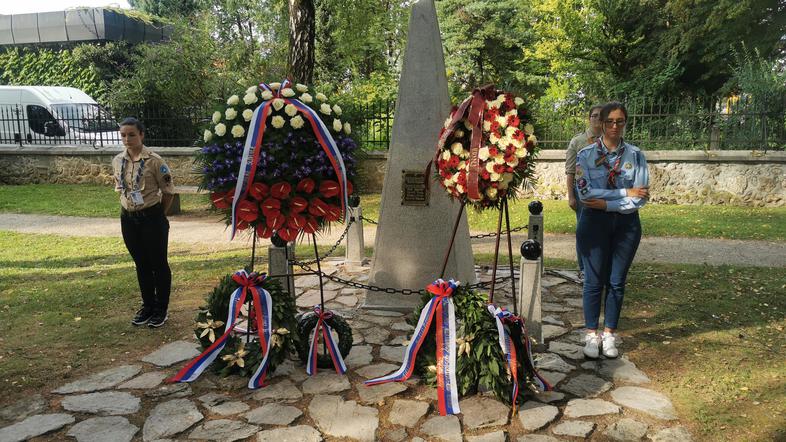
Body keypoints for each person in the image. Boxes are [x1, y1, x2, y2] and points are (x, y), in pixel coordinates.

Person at [575, 101, 649, 359]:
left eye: (620, 121)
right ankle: (591, 335)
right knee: (593, 282)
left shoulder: (636, 155)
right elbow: (585, 194)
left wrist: (606, 203)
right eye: (610, 121)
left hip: (626, 225)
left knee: (617, 281)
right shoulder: (585, 155)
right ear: (601, 123)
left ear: (625, 123)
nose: (615, 126)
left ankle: (609, 334)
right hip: (593, 223)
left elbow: (640, 197)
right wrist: (622, 193)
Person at [112, 117, 175, 328]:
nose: (127, 139)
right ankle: (147, 306)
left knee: (158, 264)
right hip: (128, 218)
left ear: (141, 135)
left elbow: (168, 192)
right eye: (123, 135)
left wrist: (159, 215)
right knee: (141, 263)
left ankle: (161, 309)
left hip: (151, 217)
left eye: (131, 134)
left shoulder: (155, 161)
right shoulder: (117, 161)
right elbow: (120, 188)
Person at [566, 105, 603, 281]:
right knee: (584, 229)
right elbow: (570, 171)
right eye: (594, 116)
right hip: (581, 192)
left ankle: (601, 268)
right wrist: (571, 196)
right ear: (589, 119)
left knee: (603, 230)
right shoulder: (578, 141)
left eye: (601, 116)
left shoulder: (610, 140)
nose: (598, 119)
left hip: (604, 192)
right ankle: (583, 269)